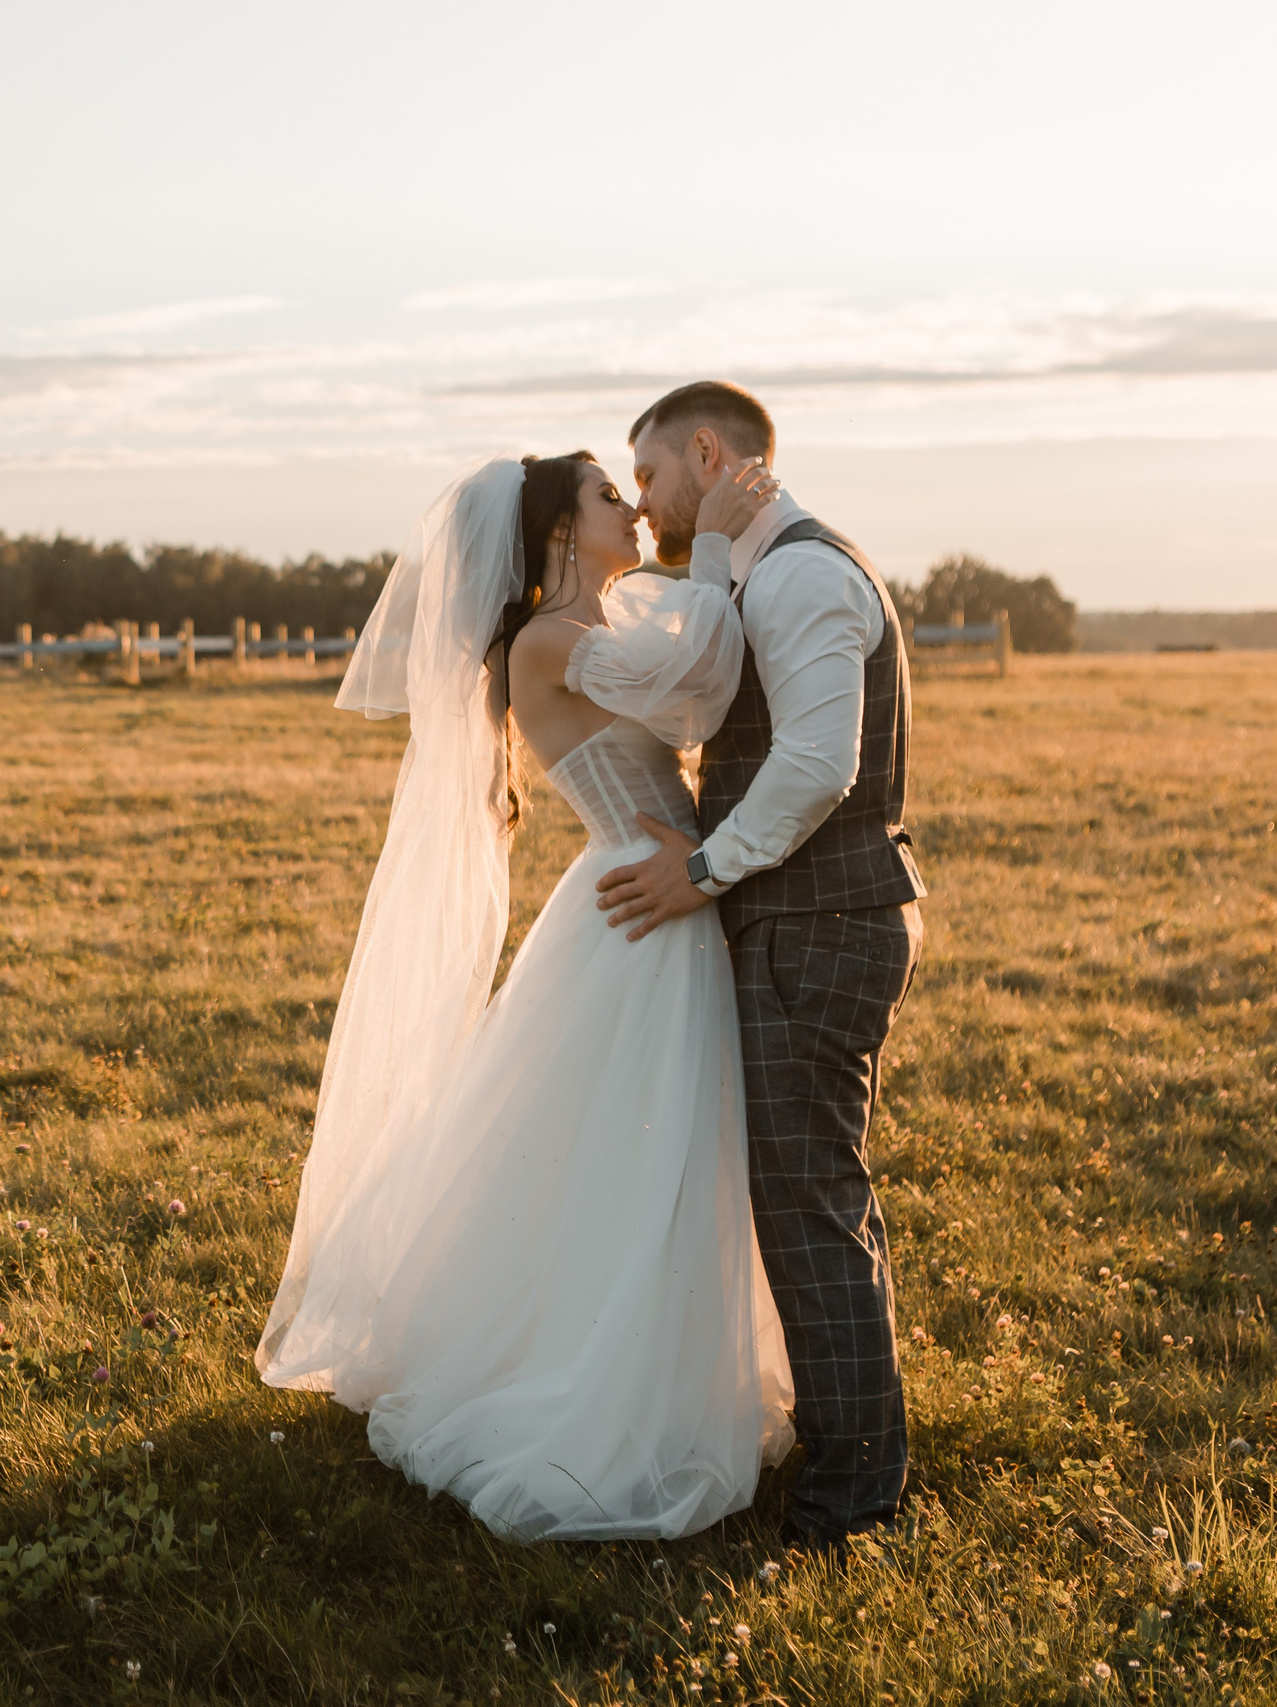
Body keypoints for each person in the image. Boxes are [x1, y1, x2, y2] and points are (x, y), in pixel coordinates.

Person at [254, 447, 794, 1540]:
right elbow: (698, 700)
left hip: (656, 889)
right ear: (555, 530)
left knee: (656, 1146)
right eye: (607, 498)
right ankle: (605, 1385)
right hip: (639, 907)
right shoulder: (551, 641)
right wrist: (721, 547)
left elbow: (687, 667)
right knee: (648, 1151)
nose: (633, 512)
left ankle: (669, 1360)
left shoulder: (599, 623)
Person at [594, 381, 926, 1553]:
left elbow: (816, 767)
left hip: (817, 921)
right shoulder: (755, 566)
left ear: (703, 451)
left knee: (805, 1206)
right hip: (803, 918)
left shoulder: (803, 574)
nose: (642, 502)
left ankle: (851, 1505)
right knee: (807, 1198)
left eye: (646, 477)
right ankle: (855, 1458)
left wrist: (705, 870)